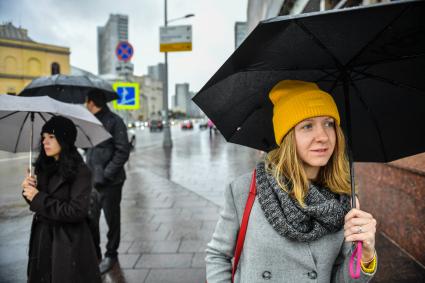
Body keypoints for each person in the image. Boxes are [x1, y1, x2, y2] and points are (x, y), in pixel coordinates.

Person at [205, 80, 378, 282]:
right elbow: (218, 255)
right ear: (287, 137)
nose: (322, 136)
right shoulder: (245, 190)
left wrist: (366, 255)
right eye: (307, 126)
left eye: (329, 123)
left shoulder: (344, 200)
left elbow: (342, 278)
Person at [21, 116, 101, 283]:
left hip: (67, 242)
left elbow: (76, 211)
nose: (45, 142)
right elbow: (39, 204)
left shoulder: (80, 171)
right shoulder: (44, 167)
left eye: (51, 137)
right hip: (42, 239)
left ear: (64, 139)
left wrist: (38, 197)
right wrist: (29, 190)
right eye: (43, 137)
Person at [85, 90, 130, 274]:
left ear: (92, 102)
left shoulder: (114, 121)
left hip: (111, 183)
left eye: (86, 101)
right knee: (91, 219)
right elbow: (88, 148)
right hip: (91, 181)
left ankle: (111, 254)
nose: (85, 104)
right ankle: (95, 254)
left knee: (112, 220)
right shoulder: (90, 122)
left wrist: (106, 174)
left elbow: (122, 151)